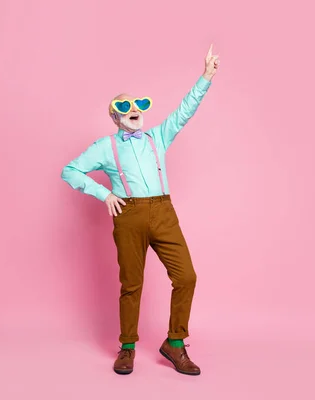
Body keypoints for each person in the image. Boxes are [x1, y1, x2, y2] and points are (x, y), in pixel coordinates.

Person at [61, 45, 219, 376]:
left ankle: (175, 344)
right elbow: (71, 170)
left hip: (163, 212)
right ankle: (127, 347)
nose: (133, 109)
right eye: (124, 106)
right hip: (129, 216)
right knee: (132, 283)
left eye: (137, 105)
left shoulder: (158, 137)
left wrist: (205, 77)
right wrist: (103, 193)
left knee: (186, 276)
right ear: (115, 116)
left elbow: (183, 112)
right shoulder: (105, 146)